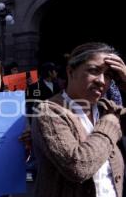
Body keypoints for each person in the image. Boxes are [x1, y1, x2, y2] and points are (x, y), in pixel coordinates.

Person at [30, 42, 126, 197]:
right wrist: (109, 124)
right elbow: (78, 167)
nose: (101, 80)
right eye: (94, 70)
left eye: (108, 75)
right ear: (71, 71)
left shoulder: (107, 108)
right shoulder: (49, 111)